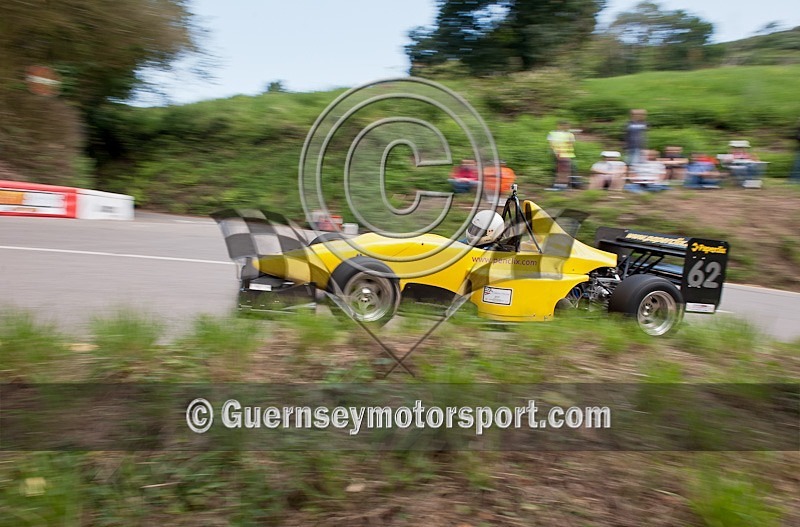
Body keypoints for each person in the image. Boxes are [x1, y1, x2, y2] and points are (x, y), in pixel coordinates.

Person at [547, 121, 576, 189]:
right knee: (559, 169)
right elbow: (551, 144)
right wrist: (556, 153)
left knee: (566, 169)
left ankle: (564, 184)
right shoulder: (553, 133)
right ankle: (559, 184)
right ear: (559, 126)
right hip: (559, 154)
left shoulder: (570, 134)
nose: (566, 127)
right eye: (564, 125)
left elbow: (571, 144)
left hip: (567, 154)